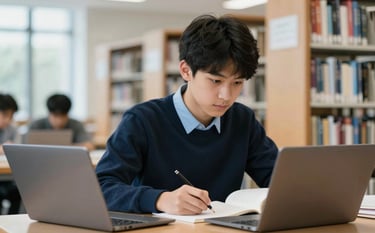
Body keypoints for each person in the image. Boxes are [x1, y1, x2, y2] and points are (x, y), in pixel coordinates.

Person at [95, 14, 278, 215]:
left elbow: (280, 181)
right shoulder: (143, 120)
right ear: (185, 71)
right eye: (215, 81)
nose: (226, 96)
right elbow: (101, 187)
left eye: (237, 83)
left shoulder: (243, 120)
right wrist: (159, 199)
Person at [29, 94, 95, 151]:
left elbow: (89, 146)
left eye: (63, 116)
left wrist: (58, 149)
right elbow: (27, 147)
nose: (59, 120)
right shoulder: (37, 125)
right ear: (49, 113)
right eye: (55, 116)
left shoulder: (76, 125)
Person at [0, 93, 21, 214]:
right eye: (5, 115)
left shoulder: (12, 129)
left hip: (7, 177)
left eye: (11, 116)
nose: (8, 120)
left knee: (18, 191)